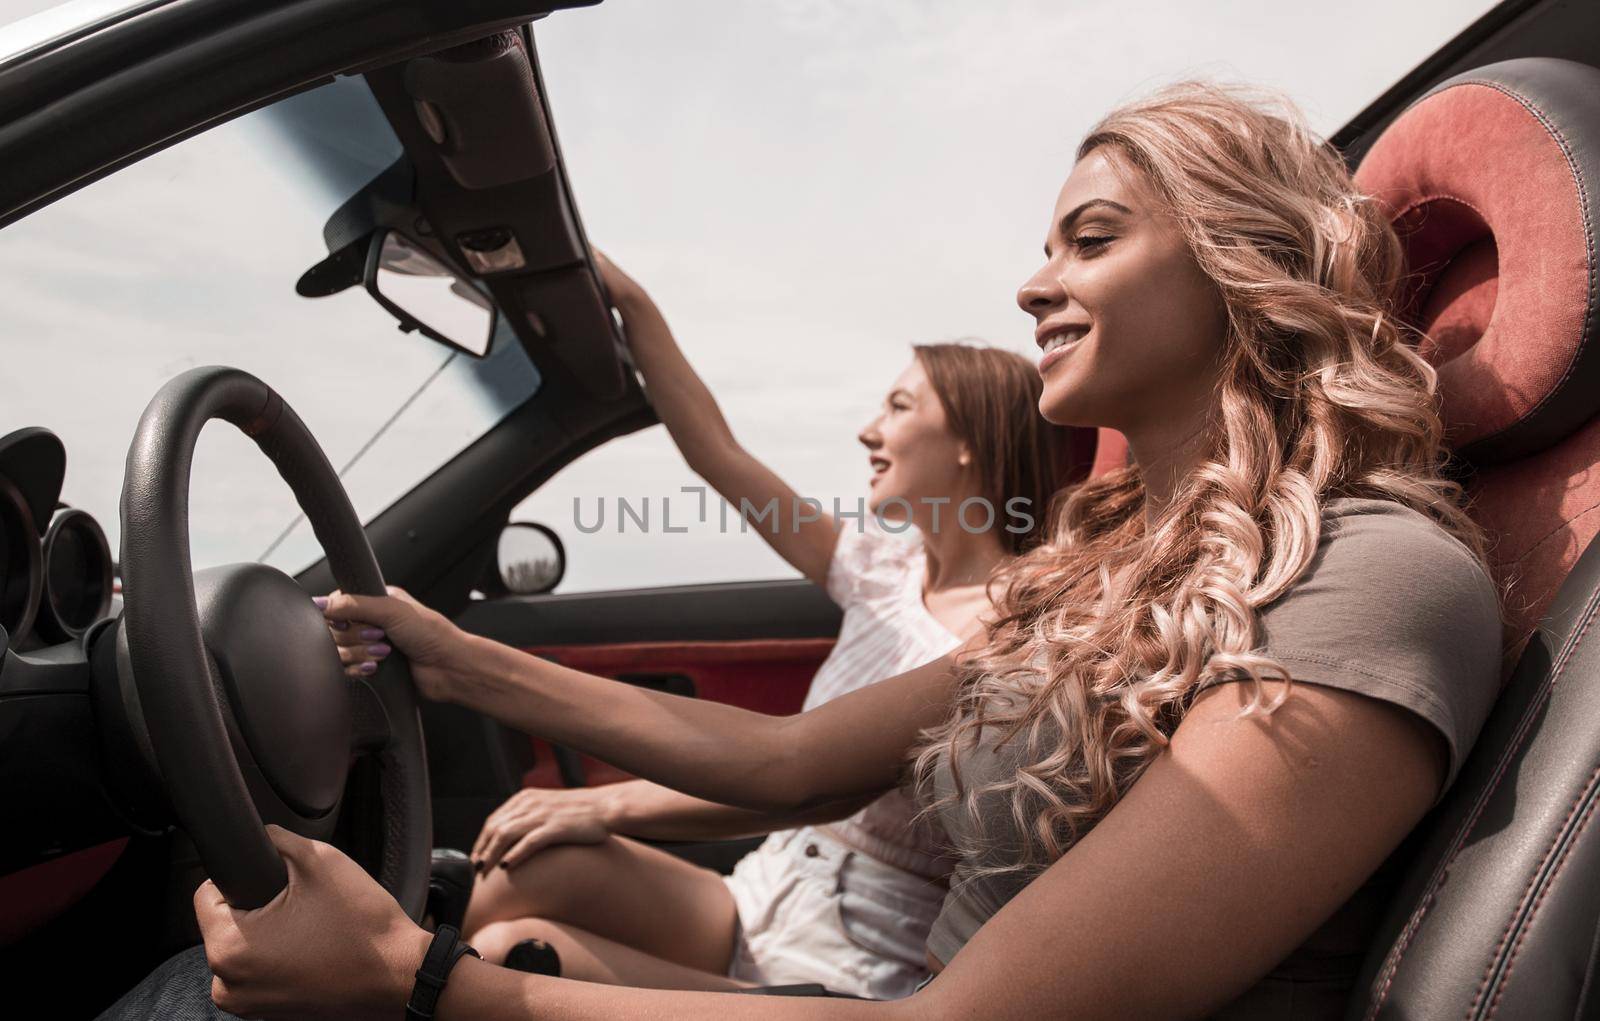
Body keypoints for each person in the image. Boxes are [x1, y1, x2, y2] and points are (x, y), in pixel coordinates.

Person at [103, 80, 1503, 1021]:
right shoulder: (1099, 579)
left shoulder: (1371, 579)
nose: (1031, 283)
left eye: (1089, 239)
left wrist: (415, 981)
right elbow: (786, 764)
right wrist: (459, 659)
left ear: (1240, 261)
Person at [459, 255, 1083, 999]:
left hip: (855, 961)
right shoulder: (882, 571)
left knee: (505, 956)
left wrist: (603, 801)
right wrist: (632, 301)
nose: (867, 430)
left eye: (898, 406)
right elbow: (718, 455)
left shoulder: (1020, 622)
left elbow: (814, 782)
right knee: (516, 869)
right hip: (765, 888)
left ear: (969, 441)